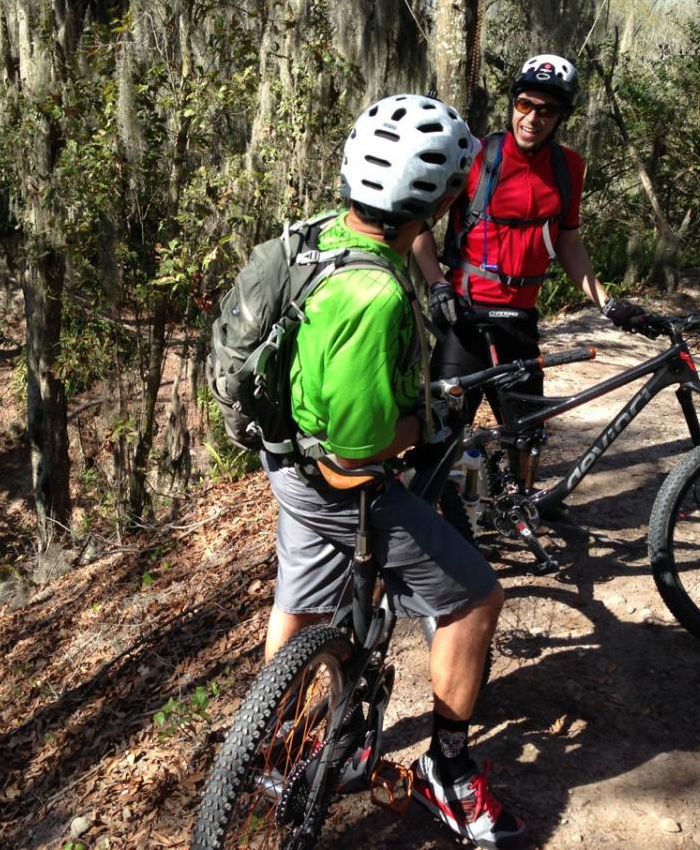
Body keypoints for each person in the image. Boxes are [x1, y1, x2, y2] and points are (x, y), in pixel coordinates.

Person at [262, 94, 526, 848]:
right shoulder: (374, 293)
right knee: (476, 597)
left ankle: (272, 746)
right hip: (341, 482)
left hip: (286, 465)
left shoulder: (315, 236)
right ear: (439, 201)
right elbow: (361, 448)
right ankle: (447, 768)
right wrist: (428, 421)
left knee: (303, 603)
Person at [412, 54, 645, 500]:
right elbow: (419, 224)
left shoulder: (569, 168)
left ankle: (526, 504)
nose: (533, 118)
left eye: (547, 110)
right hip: (466, 316)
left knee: (528, 429)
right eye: (525, 104)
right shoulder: (477, 156)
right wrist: (436, 282)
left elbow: (570, 244)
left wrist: (606, 302)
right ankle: (425, 514)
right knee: (442, 426)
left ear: (561, 117)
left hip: (520, 318)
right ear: (513, 104)